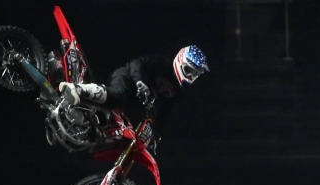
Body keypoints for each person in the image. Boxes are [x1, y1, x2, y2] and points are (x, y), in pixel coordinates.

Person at [58, 45, 209, 129]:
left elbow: (164, 114)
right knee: (118, 95)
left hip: (131, 102)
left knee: (119, 129)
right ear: (181, 60)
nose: (190, 76)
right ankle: (78, 89)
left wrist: (155, 136)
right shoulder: (162, 62)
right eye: (189, 70)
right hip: (127, 79)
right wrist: (139, 82)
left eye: (195, 74)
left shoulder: (178, 92)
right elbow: (137, 63)